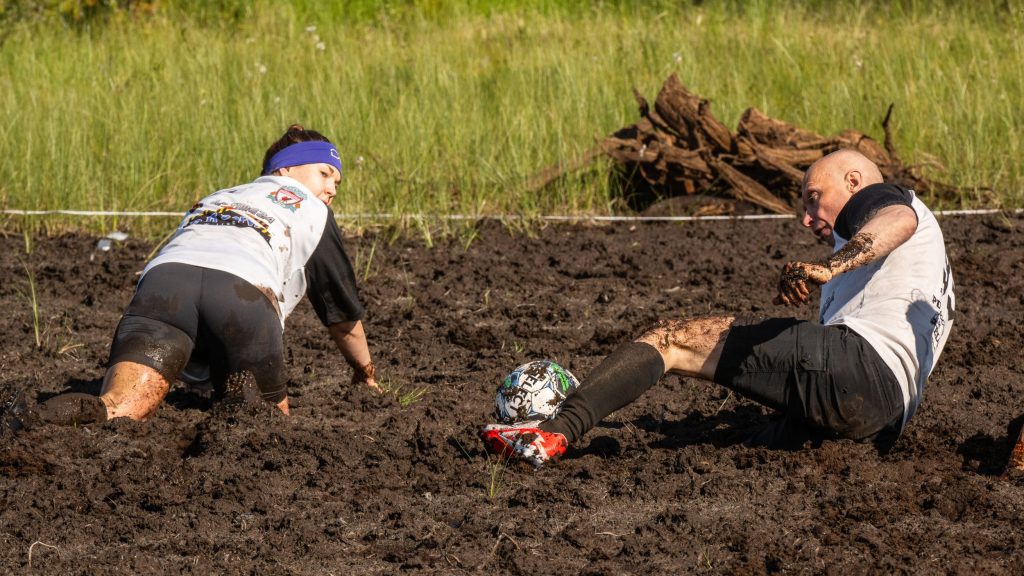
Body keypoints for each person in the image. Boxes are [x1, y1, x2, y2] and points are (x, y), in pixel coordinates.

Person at [481, 149, 956, 466]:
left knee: (671, 339)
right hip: (882, 421)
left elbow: (898, 218)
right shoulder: (916, 275)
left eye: (815, 198)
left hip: (859, 366)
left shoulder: (879, 200)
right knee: (741, 443)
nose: (808, 217)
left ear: (853, 181)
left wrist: (833, 266)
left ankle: (550, 432)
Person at [10, 124, 376, 428]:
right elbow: (342, 316)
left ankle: (28, 418)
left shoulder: (219, 196)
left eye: (337, 183)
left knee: (117, 409)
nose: (331, 189)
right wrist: (365, 376)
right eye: (325, 174)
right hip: (242, 295)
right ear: (285, 170)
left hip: (164, 286)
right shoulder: (311, 210)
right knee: (266, 429)